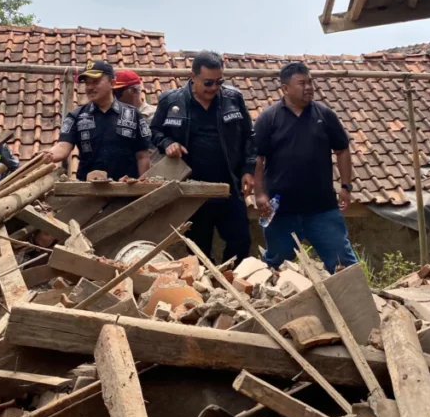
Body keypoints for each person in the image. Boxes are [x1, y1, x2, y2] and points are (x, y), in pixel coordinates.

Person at [150, 50, 255, 262]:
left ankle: (230, 281)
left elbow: (249, 136)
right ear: (193, 76)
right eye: (208, 83)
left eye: (219, 82)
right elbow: (154, 132)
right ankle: (206, 285)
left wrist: (248, 170)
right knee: (198, 248)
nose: (214, 88)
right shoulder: (171, 101)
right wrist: (168, 143)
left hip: (228, 186)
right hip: (192, 191)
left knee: (241, 240)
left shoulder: (233, 98)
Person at [254, 61, 357, 273]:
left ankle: (354, 304)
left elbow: (342, 149)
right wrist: (260, 193)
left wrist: (346, 186)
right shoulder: (268, 118)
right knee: (275, 267)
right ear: (285, 88)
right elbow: (257, 157)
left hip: (322, 209)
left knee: (344, 266)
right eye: (302, 83)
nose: (309, 87)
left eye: (310, 82)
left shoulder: (325, 115)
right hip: (280, 210)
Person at [47, 60, 153, 180]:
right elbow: (62, 146)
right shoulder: (76, 116)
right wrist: (49, 155)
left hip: (126, 190)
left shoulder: (134, 114)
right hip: (88, 190)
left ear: (112, 83)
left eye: (96, 82)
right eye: (87, 83)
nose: (90, 88)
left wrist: (142, 184)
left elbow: (143, 156)